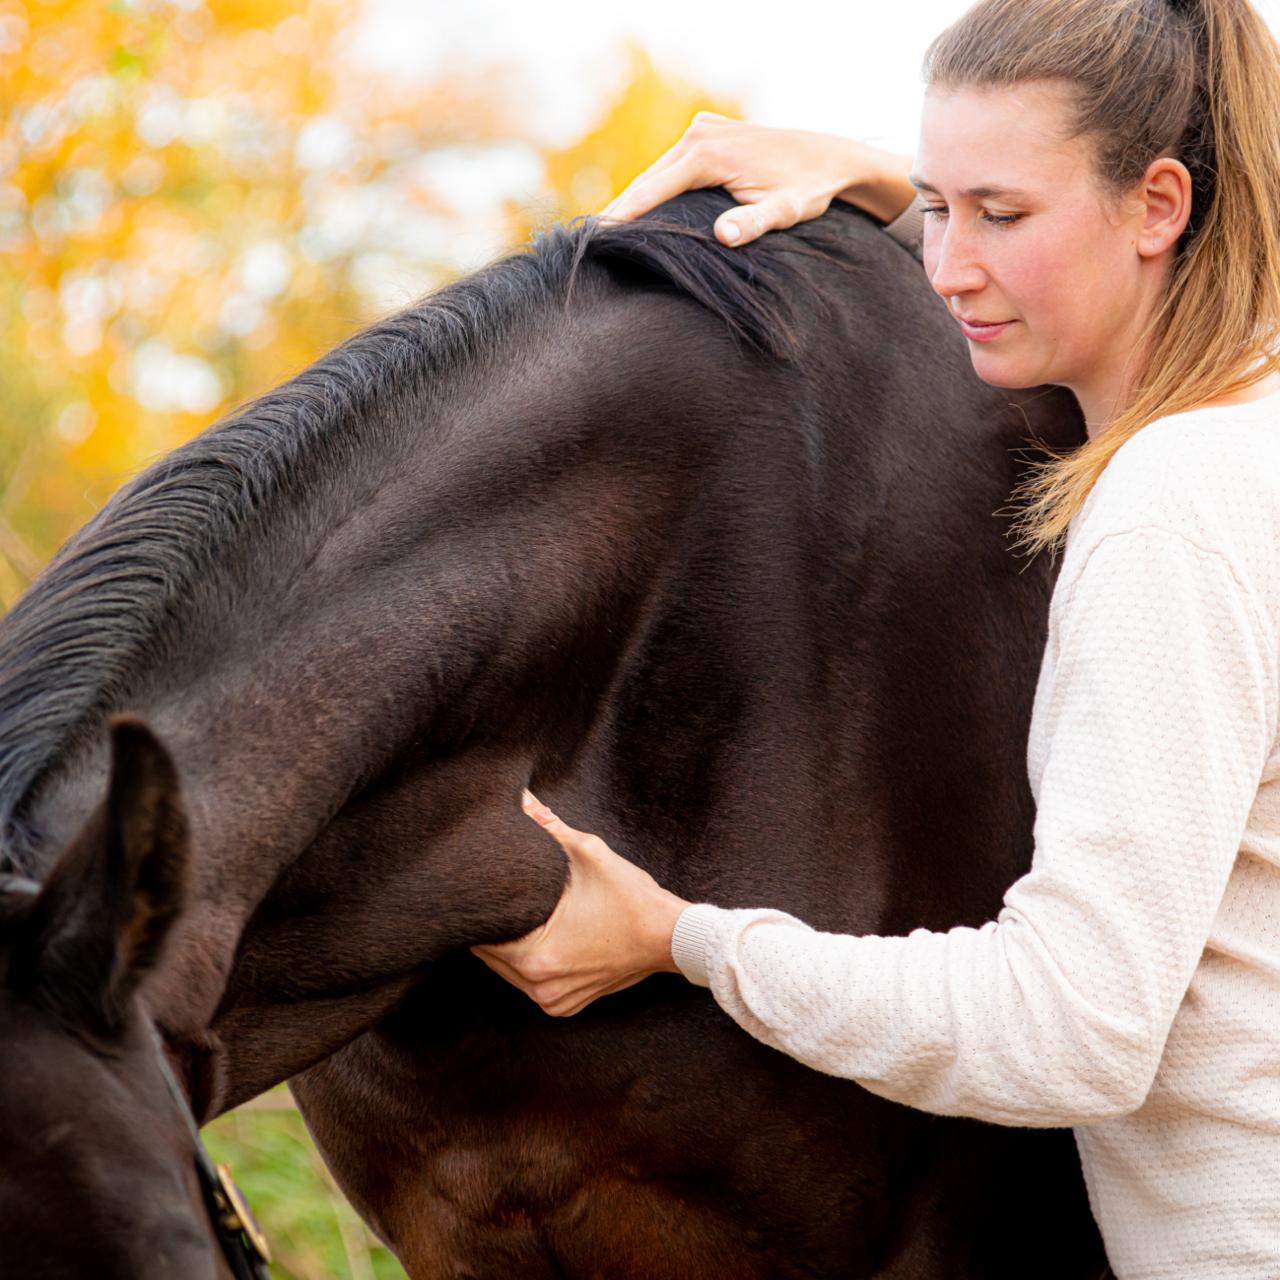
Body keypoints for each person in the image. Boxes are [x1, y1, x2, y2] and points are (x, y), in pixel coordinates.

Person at [471, 1, 1280, 1274]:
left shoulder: (1168, 510)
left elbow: (1071, 1028)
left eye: (998, 214)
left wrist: (681, 937)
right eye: (941, 210)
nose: (947, 266)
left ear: (1158, 205)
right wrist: (889, 184)